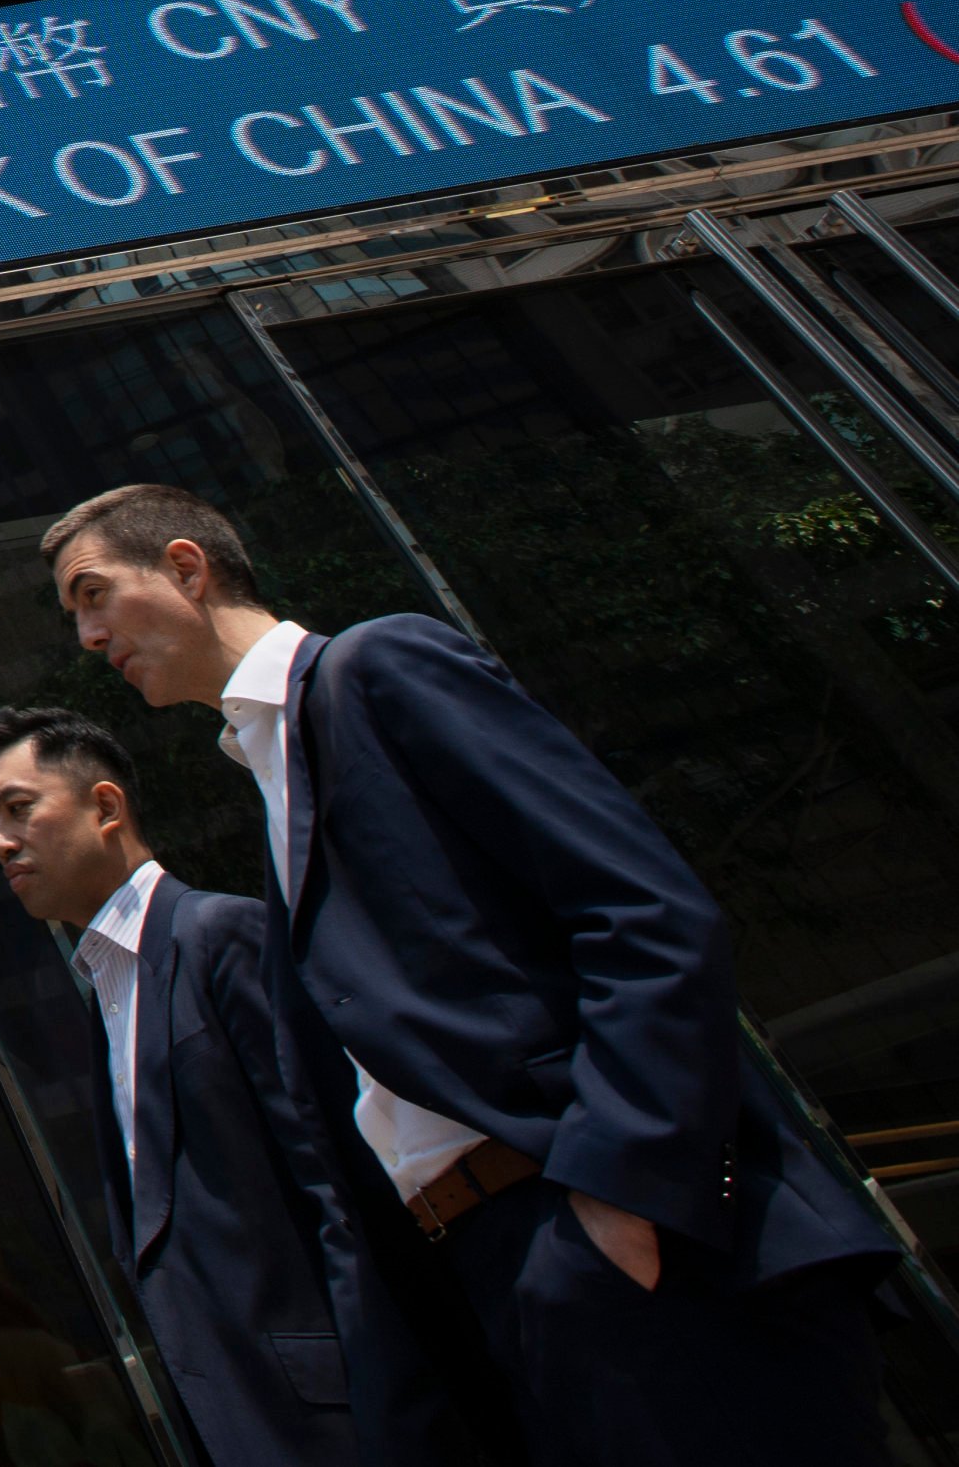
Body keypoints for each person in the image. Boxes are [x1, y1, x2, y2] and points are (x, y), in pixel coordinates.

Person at [47, 479, 897, 1465]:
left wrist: (618, 1199)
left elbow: (642, 913)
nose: (88, 638)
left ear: (187, 569)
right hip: (509, 1276)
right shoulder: (274, 779)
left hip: (626, 1246)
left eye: (93, 594)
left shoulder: (380, 668)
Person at [0, 704, 358, 1467]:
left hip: (330, 1418)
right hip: (232, 1418)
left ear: (105, 807)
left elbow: (336, 1181)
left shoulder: (220, 937)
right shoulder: (106, 986)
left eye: (18, 809)